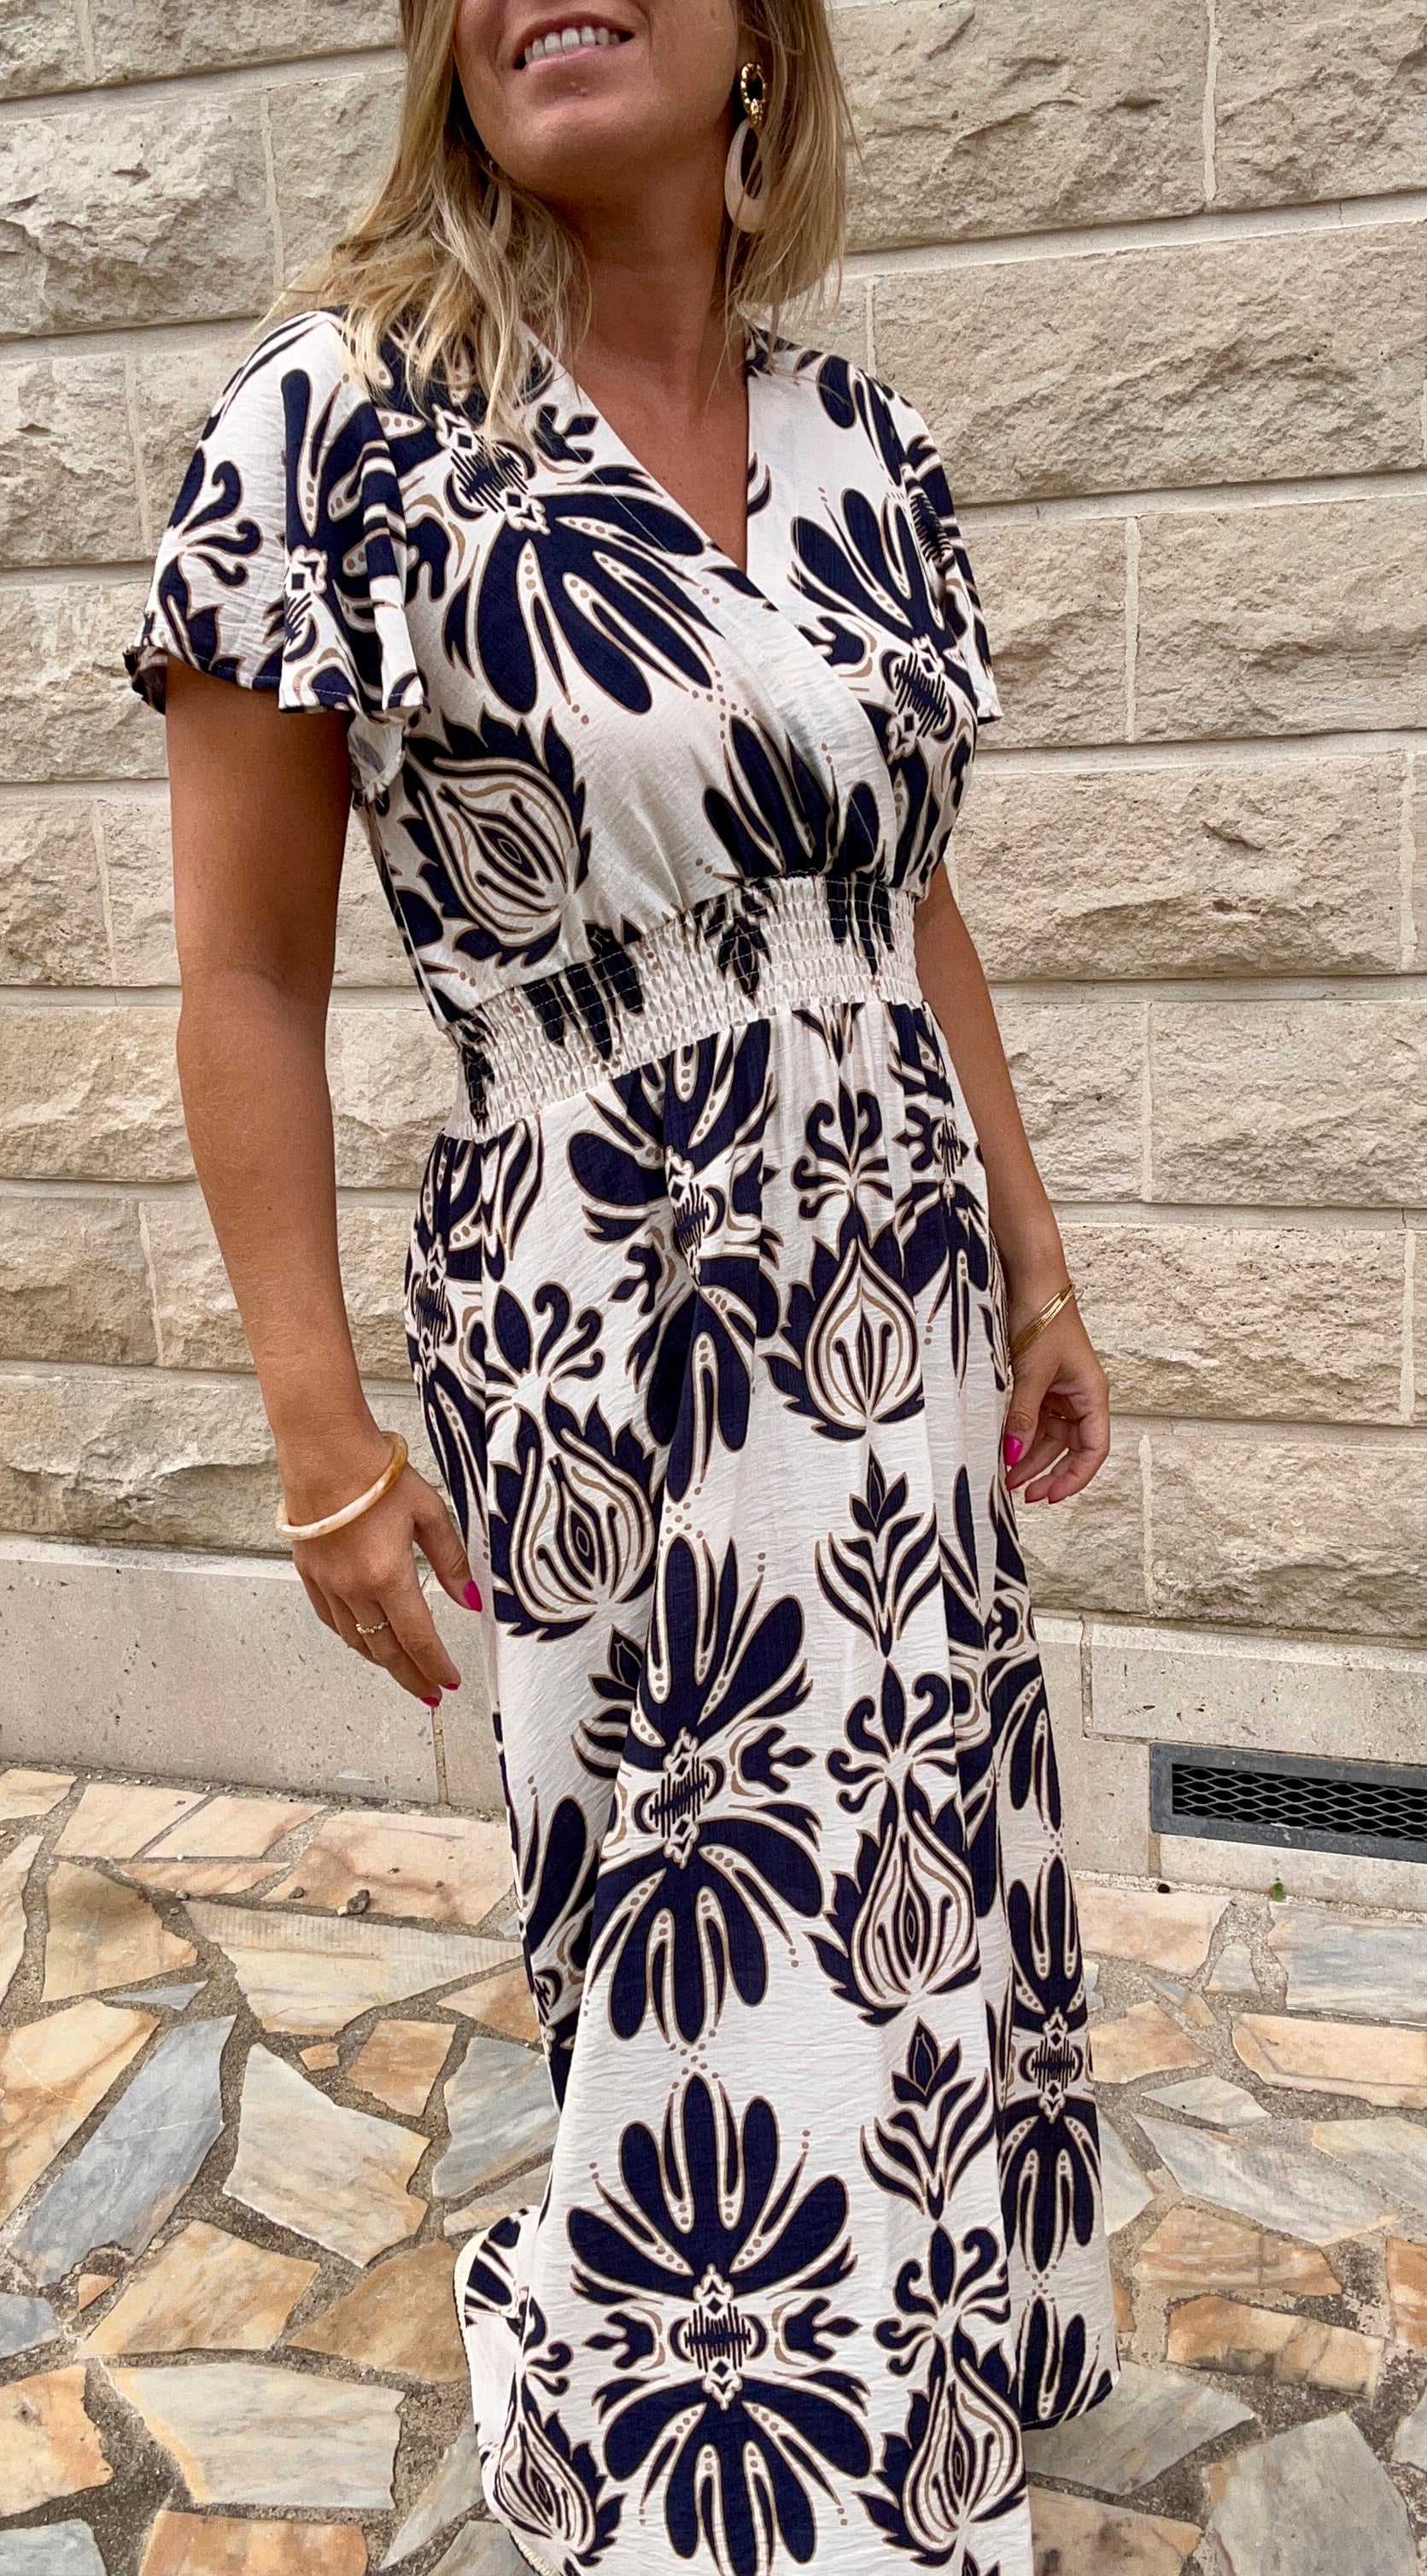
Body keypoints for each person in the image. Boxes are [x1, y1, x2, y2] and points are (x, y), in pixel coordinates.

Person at [128, 0, 1118, 2562]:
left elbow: (900, 893)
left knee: (916, 1847)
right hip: (615, 1308)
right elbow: (247, 970)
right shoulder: (339, 427)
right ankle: (735, 2470)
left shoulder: (868, 450)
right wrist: (321, 1446)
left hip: (899, 1290)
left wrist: (1038, 1258)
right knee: (703, 1906)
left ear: (763, 39)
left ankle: (927, 2374)